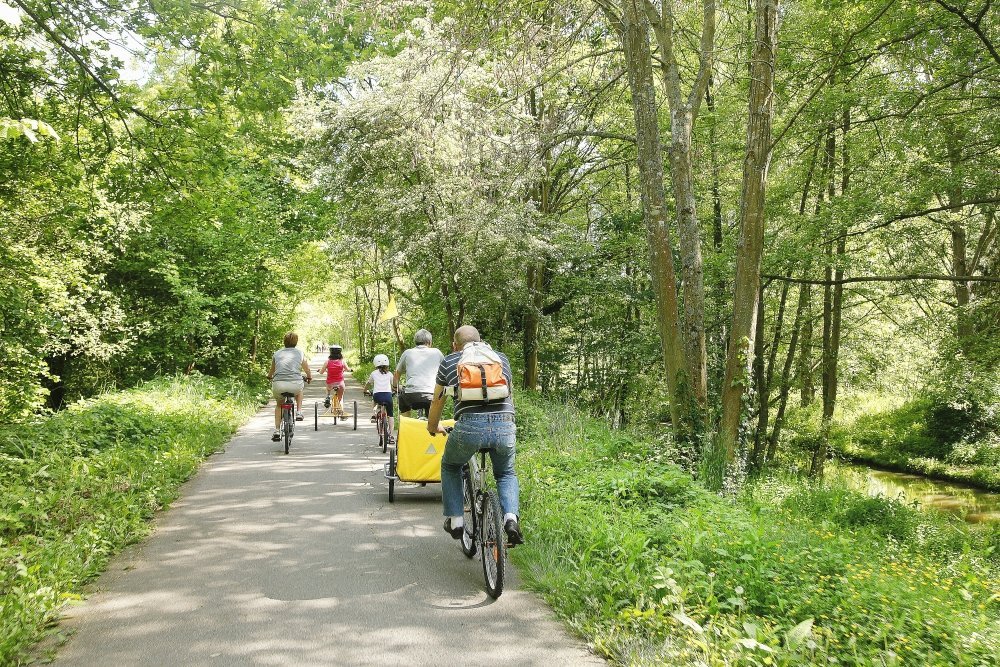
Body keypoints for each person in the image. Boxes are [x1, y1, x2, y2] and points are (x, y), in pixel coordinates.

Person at [427, 325, 523, 546]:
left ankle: (457, 521)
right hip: (504, 424)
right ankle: (510, 519)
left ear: (455, 345)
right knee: (506, 473)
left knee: (450, 465)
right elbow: (510, 395)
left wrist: (432, 426)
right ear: (481, 340)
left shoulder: (450, 361)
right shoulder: (501, 359)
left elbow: (437, 400)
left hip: (469, 427)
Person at [267, 331, 312, 442]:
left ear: (284, 341)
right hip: (295, 384)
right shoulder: (300, 353)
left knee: (279, 405)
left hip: (279, 384)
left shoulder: (277, 353)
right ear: (296, 342)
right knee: (300, 390)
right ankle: (299, 412)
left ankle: (277, 430)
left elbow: (271, 371)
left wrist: (268, 376)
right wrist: (309, 377)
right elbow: (307, 369)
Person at [394, 329, 445, 417]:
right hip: (431, 394)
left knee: (402, 400)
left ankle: (406, 426)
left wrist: (395, 387)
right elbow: (445, 372)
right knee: (433, 413)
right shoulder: (437, 352)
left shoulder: (407, 353)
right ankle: (432, 426)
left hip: (411, 395)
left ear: (415, 342)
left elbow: (397, 374)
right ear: (429, 342)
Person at [364, 354, 396, 441]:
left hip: (377, 396)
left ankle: (374, 415)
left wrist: (365, 390)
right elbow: (394, 385)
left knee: (374, 400)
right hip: (388, 396)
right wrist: (397, 390)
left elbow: (368, 383)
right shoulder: (390, 374)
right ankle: (391, 435)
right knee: (391, 415)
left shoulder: (373, 373)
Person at [318, 345, 352, 415]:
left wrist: (319, 371)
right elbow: (348, 369)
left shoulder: (327, 362)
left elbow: (321, 372)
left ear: (330, 352)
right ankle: (341, 410)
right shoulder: (342, 362)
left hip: (330, 384)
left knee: (327, 389)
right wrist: (351, 369)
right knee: (340, 397)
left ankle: (327, 396)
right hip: (340, 384)